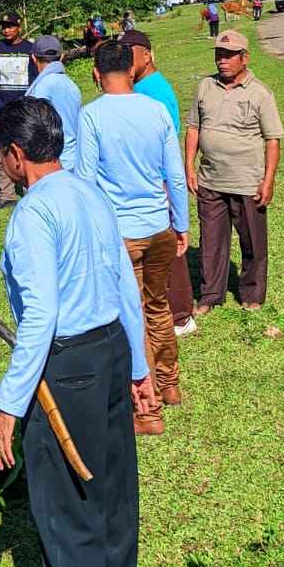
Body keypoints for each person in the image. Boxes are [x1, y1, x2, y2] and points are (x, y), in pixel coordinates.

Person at [0, 97, 154, 567]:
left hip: (67, 370)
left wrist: (9, 403)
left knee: (67, 513)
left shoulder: (32, 216)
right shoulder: (88, 194)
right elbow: (124, 285)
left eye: (1, 154)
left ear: (15, 154)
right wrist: (138, 367)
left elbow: (41, 319)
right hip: (110, 352)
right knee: (110, 495)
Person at [76, 40, 188, 430]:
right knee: (158, 307)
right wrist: (182, 224)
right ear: (132, 69)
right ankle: (170, 385)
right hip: (159, 227)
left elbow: (86, 180)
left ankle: (148, 411)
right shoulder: (156, 110)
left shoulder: (90, 117)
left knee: (132, 315)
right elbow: (174, 175)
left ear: (95, 73)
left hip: (120, 235)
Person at [184, 30, 284, 313]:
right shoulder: (205, 87)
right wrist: (189, 167)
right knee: (211, 242)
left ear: (245, 58)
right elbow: (194, 128)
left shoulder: (260, 93)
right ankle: (210, 295)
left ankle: (252, 294)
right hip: (210, 179)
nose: (222, 61)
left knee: (252, 241)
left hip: (247, 181)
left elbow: (272, 140)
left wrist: (268, 181)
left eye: (229, 55)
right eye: (219, 55)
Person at [120, 29, 196, 339]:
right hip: (146, 183)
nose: (125, 61)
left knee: (170, 253)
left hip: (159, 182)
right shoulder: (139, 87)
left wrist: (165, 185)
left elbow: (165, 146)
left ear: (147, 55)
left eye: (130, 54)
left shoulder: (156, 91)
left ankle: (181, 316)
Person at [0, 13, 37, 210]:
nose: (6, 29)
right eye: (4, 26)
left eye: (10, 26)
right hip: (2, 110)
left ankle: (31, 193)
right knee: (3, 152)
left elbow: (37, 77)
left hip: (25, 109)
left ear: (19, 27)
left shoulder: (30, 50)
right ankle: (7, 195)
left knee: (28, 151)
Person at [25, 35, 81, 170]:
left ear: (33, 58)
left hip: (51, 164)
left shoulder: (41, 87)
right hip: (73, 159)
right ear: (61, 57)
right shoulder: (71, 85)